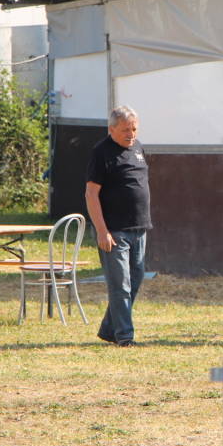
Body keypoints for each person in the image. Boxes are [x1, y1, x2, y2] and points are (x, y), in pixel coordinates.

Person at [85, 106, 151, 347]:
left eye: (134, 129)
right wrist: (102, 231)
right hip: (114, 231)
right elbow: (91, 194)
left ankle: (108, 329)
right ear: (111, 129)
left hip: (139, 227)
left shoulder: (138, 147)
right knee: (120, 284)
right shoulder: (101, 152)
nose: (130, 134)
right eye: (125, 130)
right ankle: (125, 336)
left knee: (135, 279)